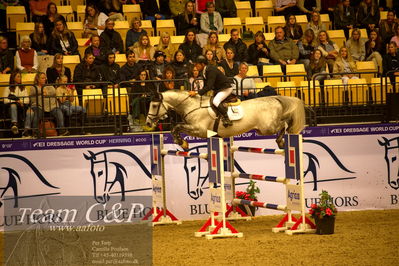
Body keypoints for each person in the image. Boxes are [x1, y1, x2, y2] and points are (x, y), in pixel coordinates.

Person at [189, 56, 233, 127]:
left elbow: (209, 86)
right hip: (219, 89)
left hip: (225, 88)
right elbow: (205, 86)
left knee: (215, 101)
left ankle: (226, 118)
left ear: (202, 64)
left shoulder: (210, 70)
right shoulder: (204, 71)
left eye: (197, 65)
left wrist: (196, 93)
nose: (196, 67)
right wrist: (198, 95)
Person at [27, 72, 68, 136]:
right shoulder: (34, 87)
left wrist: (44, 92)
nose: (44, 79)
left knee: (58, 112)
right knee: (37, 114)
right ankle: (35, 132)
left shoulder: (49, 86)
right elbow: (34, 91)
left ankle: (61, 131)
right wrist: (42, 91)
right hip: (39, 106)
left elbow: (53, 91)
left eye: (45, 78)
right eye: (42, 78)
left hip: (52, 106)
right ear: (38, 79)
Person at [2, 71, 31, 135]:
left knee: (30, 112)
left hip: (22, 107)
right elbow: (5, 100)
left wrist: (21, 102)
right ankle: (14, 124)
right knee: (13, 105)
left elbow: (27, 100)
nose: (20, 78)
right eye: (18, 76)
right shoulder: (8, 88)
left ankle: (26, 131)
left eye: (20, 76)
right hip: (11, 109)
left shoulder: (23, 88)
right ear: (13, 78)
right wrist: (15, 101)